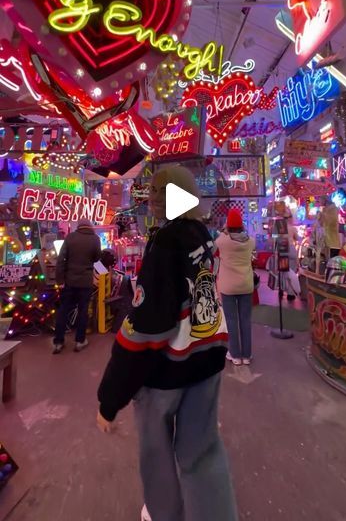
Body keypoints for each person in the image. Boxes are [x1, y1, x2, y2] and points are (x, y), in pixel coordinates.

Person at [97, 165, 239, 521]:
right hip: (207, 357)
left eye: (156, 194)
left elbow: (147, 328)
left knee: (156, 454)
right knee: (202, 450)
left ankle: (163, 513)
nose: (151, 200)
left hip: (165, 371)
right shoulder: (201, 234)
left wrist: (110, 398)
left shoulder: (165, 243)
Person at [53, 218, 101, 354]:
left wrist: (59, 280)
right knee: (83, 311)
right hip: (85, 281)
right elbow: (97, 257)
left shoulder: (70, 237)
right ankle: (80, 341)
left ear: (78, 226)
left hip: (69, 281)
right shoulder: (95, 239)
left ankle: (58, 342)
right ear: (90, 226)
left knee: (63, 310)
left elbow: (61, 259)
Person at [216, 208, 255, 366]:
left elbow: (217, 242)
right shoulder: (250, 241)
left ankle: (235, 354)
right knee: (245, 320)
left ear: (228, 225)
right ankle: (246, 355)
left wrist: (225, 230)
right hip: (246, 285)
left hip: (228, 287)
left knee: (231, 320)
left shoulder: (222, 241)